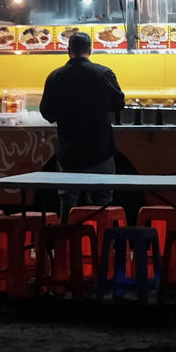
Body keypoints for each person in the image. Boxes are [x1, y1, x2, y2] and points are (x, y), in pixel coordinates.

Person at [39, 31, 126, 222]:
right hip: (100, 150)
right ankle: (99, 243)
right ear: (90, 50)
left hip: (69, 151)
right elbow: (119, 104)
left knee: (68, 199)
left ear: (68, 51)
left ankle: (67, 244)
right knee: (101, 199)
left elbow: (46, 112)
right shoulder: (103, 73)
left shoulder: (55, 77)